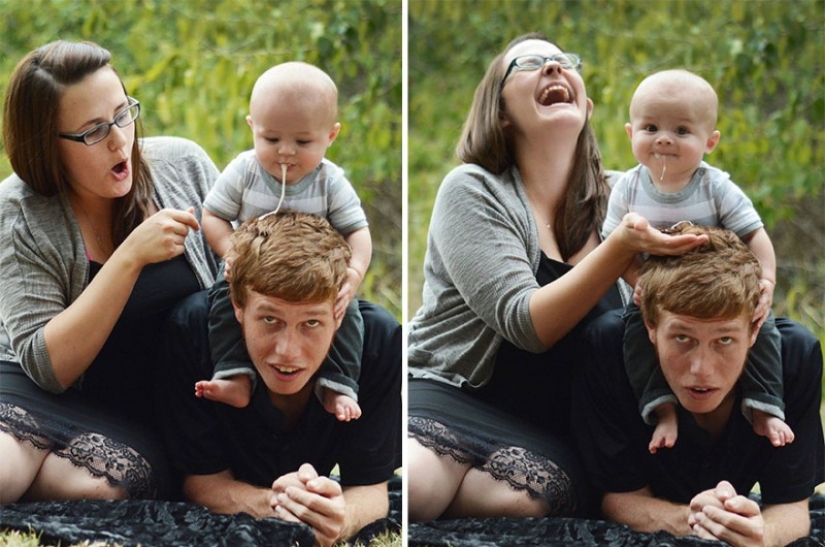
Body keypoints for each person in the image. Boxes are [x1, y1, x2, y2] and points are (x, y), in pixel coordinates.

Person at [406, 32, 709, 521]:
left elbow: (706, 260)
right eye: (529, 63)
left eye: (563, 60)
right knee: (417, 491)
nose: (552, 67)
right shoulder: (472, 189)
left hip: (557, 428)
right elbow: (526, 324)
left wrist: (755, 277)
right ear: (500, 112)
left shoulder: (628, 198)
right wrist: (620, 248)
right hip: (455, 393)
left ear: (586, 107)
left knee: (519, 504)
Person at [0, 40, 219, 503]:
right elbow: (47, 367)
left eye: (123, 114)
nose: (120, 139)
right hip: (31, 386)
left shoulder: (184, 165)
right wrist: (129, 257)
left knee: (100, 490)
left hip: (139, 410)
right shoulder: (19, 210)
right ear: (47, 146)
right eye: (94, 131)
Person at [157, 211, 401, 547]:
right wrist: (287, 507)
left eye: (311, 323)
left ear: (339, 314)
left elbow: (371, 489)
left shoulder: (378, 340)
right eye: (270, 320)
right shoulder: (192, 328)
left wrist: (337, 518)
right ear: (237, 305)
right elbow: (200, 484)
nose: (288, 351)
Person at [573, 223, 823, 547]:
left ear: (755, 329)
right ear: (650, 325)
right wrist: (707, 522)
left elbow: (792, 507)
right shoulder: (609, 347)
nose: (701, 369)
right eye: (682, 338)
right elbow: (618, 499)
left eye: (724, 340)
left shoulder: (793, 356)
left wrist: (762, 535)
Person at [602, 69, 790, 454]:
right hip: (657, 297)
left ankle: (763, 404)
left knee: (763, 326)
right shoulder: (627, 188)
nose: (664, 138)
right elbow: (614, 247)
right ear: (630, 133)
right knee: (635, 335)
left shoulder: (715, 186)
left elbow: (755, 235)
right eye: (651, 128)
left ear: (710, 142)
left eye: (682, 131)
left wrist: (766, 281)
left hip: (718, 295)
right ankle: (662, 409)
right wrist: (638, 281)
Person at [195, 61, 370, 422]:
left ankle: (338, 383)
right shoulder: (245, 171)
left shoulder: (329, 180)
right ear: (252, 128)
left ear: (331, 136)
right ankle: (234, 374)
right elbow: (212, 215)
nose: (286, 151)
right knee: (224, 302)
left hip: (314, 279)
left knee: (345, 311)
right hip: (252, 270)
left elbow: (358, 231)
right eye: (271, 139)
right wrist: (231, 252)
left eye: (303, 142)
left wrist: (353, 274)